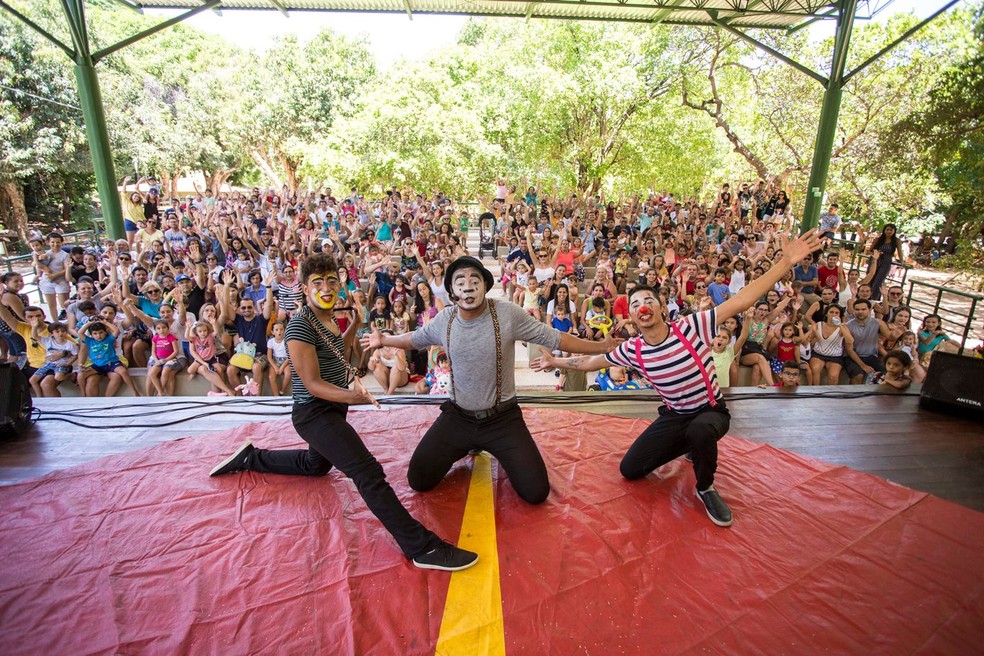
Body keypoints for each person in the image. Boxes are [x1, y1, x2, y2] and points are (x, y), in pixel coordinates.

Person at [533, 229, 822, 527]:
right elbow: (592, 361)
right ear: (632, 316)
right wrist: (557, 361)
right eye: (634, 305)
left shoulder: (691, 326)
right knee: (631, 469)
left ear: (660, 306)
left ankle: (705, 487)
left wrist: (785, 263)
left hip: (711, 413)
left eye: (648, 300)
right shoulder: (633, 349)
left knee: (700, 430)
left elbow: (742, 300)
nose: (642, 307)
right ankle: (689, 445)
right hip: (675, 416)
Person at [210, 252, 478, 572]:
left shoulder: (328, 318)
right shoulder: (298, 327)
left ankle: (251, 458)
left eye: (332, 282)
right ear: (305, 288)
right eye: (318, 282)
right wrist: (355, 397)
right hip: (314, 414)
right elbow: (311, 384)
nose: (326, 287)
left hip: (334, 408)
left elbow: (338, 352)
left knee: (315, 465)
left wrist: (353, 324)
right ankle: (420, 547)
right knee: (368, 472)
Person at [363, 255, 616, 505]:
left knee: (536, 493)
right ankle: (465, 446)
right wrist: (383, 340)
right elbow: (415, 338)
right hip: (458, 418)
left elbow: (556, 338)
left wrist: (600, 348)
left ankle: (498, 450)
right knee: (418, 480)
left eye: (475, 279)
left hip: (502, 420)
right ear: (452, 289)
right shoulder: (445, 319)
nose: (468, 284)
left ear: (485, 285)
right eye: (460, 280)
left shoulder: (506, 314)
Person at [843, 299, 891, 384]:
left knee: (887, 373)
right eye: (857, 309)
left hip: (871, 356)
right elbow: (849, 350)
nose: (860, 312)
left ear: (869, 310)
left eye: (863, 309)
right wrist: (863, 366)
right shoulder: (848, 326)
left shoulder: (878, 323)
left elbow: (890, 337)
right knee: (858, 376)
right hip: (852, 357)